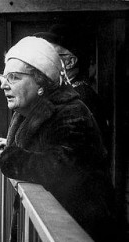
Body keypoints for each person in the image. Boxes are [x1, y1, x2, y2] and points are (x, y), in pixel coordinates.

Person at [0, 36, 123, 242]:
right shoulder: (29, 109)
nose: (3, 85)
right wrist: (8, 149)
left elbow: (57, 168)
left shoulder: (71, 112)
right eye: (3, 77)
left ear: (41, 82)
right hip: (57, 239)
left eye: (14, 78)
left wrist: (8, 157)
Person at [34, 25, 110, 156]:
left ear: (70, 62)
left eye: (51, 55)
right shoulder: (67, 91)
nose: (43, 60)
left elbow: (68, 157)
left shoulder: (82, 97)